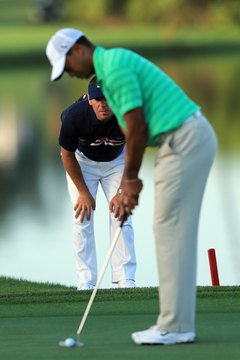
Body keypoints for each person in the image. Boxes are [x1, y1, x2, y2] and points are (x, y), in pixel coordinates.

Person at [46, 28, 217, 345]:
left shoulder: (112, 67)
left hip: (184, 140)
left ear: (77, 50)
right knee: (169, 229)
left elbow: (134, 128)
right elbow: (130, 130)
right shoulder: (107, 73)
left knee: (169, 229)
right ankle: (178, 324)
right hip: (178, 142)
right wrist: (128, 182)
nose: (70, 73)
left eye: (67, 65)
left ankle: (174, 325)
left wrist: (130, 181)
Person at [59, 76, 137, 290]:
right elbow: (66, 155)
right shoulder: (73, 116)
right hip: (83, 163)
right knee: (82, 216)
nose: (103, 104)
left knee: (122, 214)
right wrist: (84, 192)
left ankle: (125, 277)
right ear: (89, 99)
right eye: (97, 99)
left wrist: (122, 189)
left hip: (119, 160)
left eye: (107, 98)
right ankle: (85, 279)